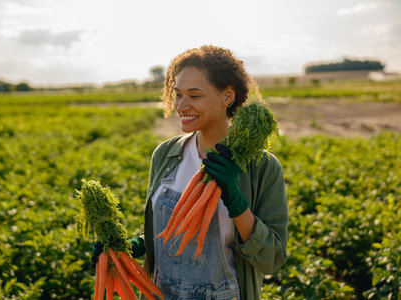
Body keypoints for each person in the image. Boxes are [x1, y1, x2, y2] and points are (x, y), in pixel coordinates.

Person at [93, 45, 288, 299]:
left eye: (194, 96)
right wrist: (135, 246)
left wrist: (235, 199)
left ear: (227, 96)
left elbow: (272, 258)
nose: (181, 106)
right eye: (178, 95)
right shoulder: (165, 155)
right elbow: (165, 232)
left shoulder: (261, 167)